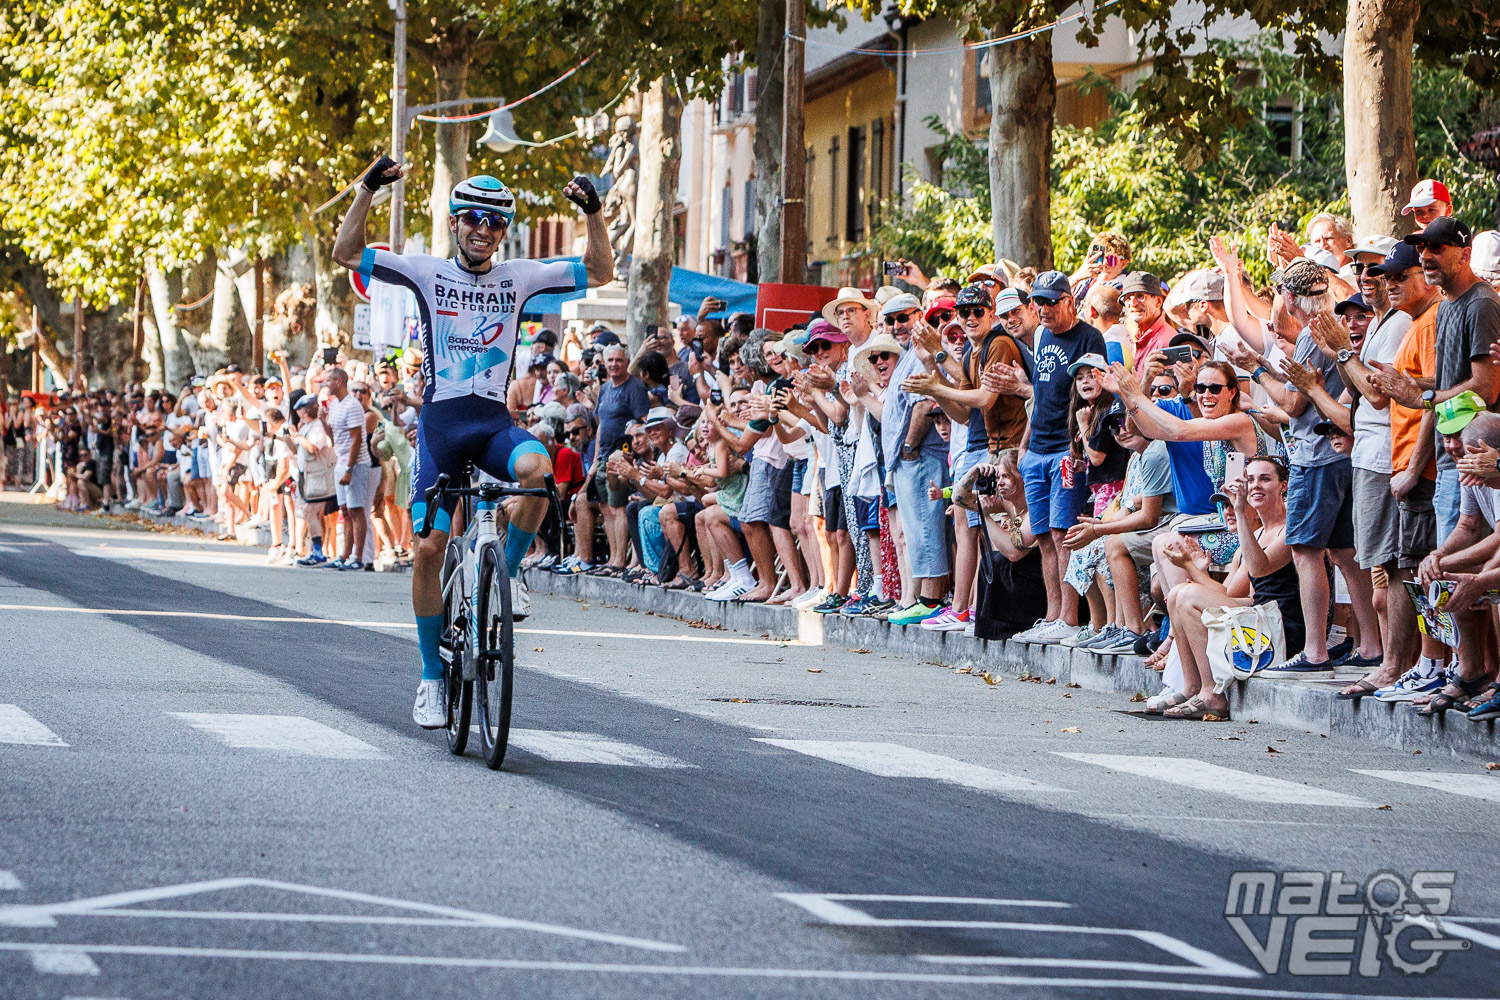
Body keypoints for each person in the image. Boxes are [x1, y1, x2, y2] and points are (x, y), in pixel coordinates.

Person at [331, 157, 611, 729]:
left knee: (541, 470)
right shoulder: (428, 272)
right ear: (455, 223)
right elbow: (345, 252)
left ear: (503, 231)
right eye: (472, 219)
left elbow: (599, 270)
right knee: (429, 549)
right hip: (439, 429)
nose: (483, 229)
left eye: (495, 222)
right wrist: (366, 190)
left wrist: (594, 212)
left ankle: (506, 573)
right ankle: (432, 679)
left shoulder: (519, 277)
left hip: (489, 424)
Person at [1157, 456, 1297, 720]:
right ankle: (1192, 686)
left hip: (1283, 626)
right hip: (1260, 617)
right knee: (1177, 595)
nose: (1256, 486)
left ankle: (1212, 694)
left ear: (1284, 486)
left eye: (1265, 479)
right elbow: (1229, 595)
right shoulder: (1256, 534)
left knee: (1186, 596)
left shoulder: (1289, 529)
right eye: (1251, 479)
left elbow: (1259, 569)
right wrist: (1191, 567)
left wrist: (1242, 512)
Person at [1011, 271, 1106, 642]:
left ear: (1069, 300)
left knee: (1063, 530)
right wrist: (1024, 443)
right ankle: (1052, 615)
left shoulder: (1089, 336)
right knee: (1043, 534)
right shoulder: (1039, 334)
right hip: (1036, 447)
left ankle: (1069, 617)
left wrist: (1079, 442)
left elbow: (1091, 393)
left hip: (1065, 449)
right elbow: (1040, 392)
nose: (1044, 309)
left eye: (1051, 301)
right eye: (1038, 302)